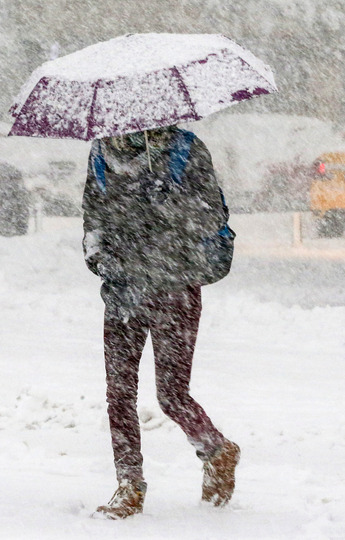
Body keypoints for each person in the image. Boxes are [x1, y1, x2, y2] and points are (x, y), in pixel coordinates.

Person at [82, 126, 239, 519]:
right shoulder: (101, 152)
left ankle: (216, 450)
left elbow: (211, 215)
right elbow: (93, 219)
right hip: (123, 289)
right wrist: (101, 259)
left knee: (171, 395)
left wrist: (168, 206)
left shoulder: (184, 149)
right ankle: (129, 485)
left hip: (175, 287)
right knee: (119, 393)